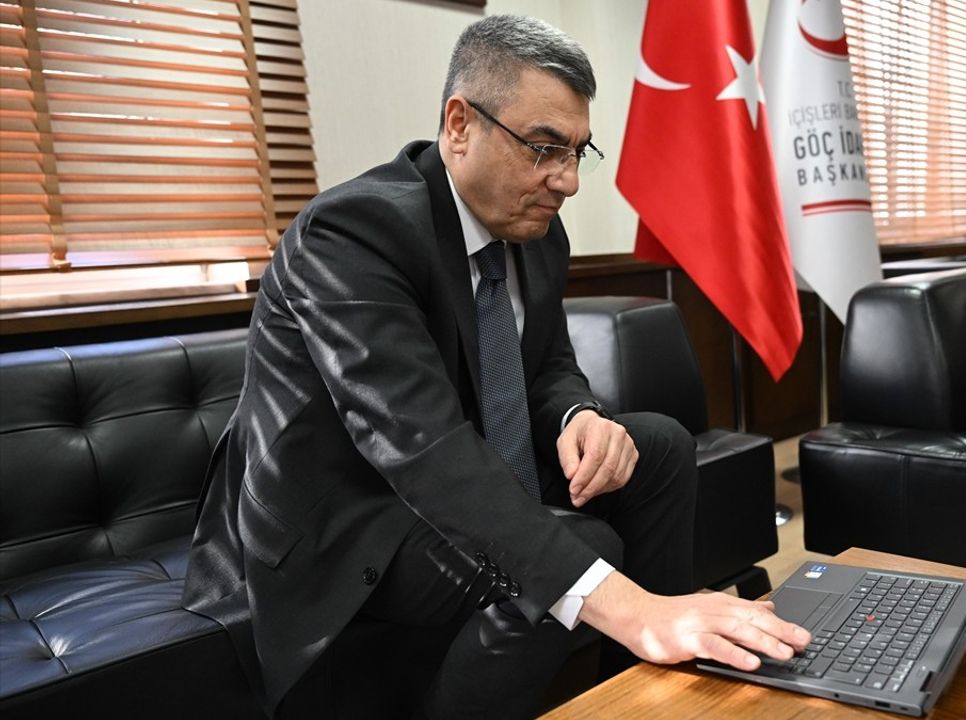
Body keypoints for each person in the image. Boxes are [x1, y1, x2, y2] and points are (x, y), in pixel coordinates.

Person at [182, 14, 809, 719]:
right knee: (582, 546)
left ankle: (637, 698)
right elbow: (420, 445)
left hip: (456, 474)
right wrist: (634, 606)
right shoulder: (353, 233)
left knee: (656, 445)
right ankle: (638, 640)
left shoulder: (535, 229)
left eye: (577, 151)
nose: (566, 180)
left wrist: (580, 415)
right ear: (459, 125)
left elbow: (547, 366)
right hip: (349, 513)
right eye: (544, 148)